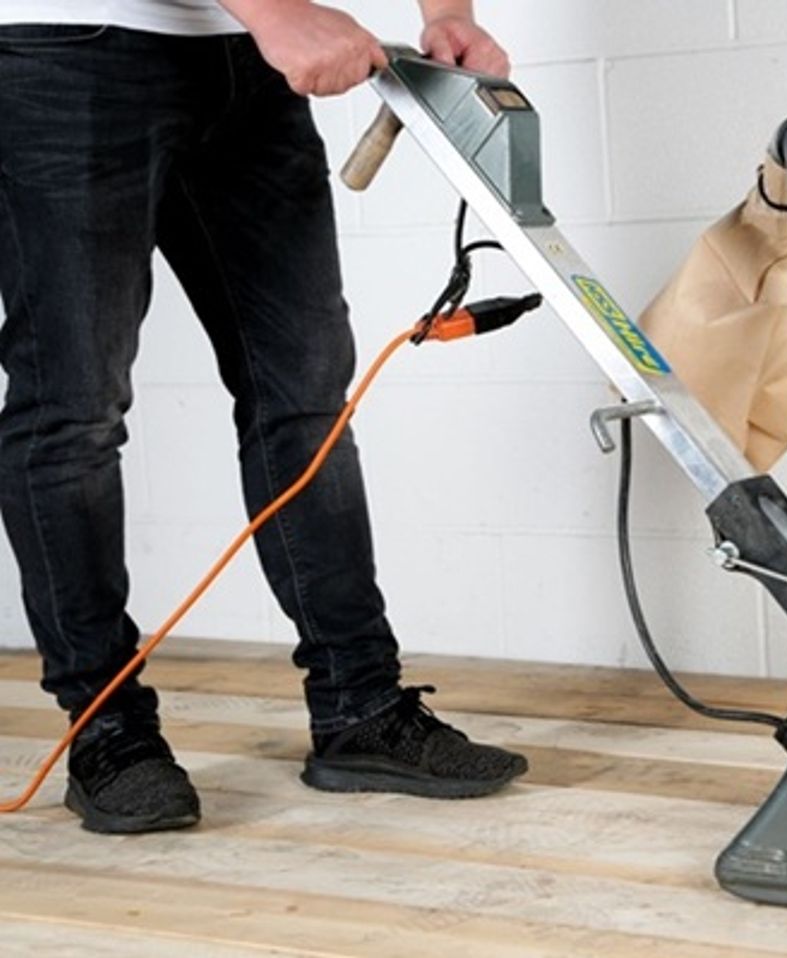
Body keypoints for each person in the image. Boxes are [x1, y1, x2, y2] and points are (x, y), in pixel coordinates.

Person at [0, 0, 528, 834]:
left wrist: (449, 14)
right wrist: (276, 12)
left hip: (245, 62)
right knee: (74, 407)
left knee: (306, 390)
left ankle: (359, 704)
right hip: (70, 50)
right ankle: (108, 730)